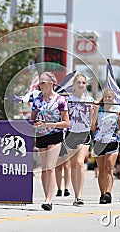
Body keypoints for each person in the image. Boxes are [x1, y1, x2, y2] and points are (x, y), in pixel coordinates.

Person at [31, 72, 69, 211]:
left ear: (51, 83)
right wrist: (36, 124)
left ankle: (49, 200)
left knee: (50, 167)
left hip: (55, 134)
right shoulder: (37, 101)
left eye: (43, 83)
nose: (40, 85)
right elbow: (32, 120)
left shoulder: (60, 100)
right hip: (41, 135)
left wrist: (48, 124)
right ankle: (46, 196)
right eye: (40, 83)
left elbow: (66, 123)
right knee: (44, 169)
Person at [63, 74, 94, 206]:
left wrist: (96, 108)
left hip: (84, 133)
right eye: (78, 82)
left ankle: (80, 195)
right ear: (74, 84)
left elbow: (92, 122)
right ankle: (76, 196)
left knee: (80, 163)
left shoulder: (89, 99)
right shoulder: (67, 100)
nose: (81, 85)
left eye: (83, 82)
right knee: (73, 165)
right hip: (71, 134)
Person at [91, 89, 120, 204]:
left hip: (112, 141)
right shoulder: (99, 109)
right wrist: (95, 110)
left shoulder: (118, 109)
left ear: (113, 98)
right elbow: (92, 127)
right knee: (101, 170)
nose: (107, 99)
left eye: (109, 97)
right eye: (105, 97)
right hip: (99, 142)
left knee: (109, 168)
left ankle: (108, 193)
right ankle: (102, 194)